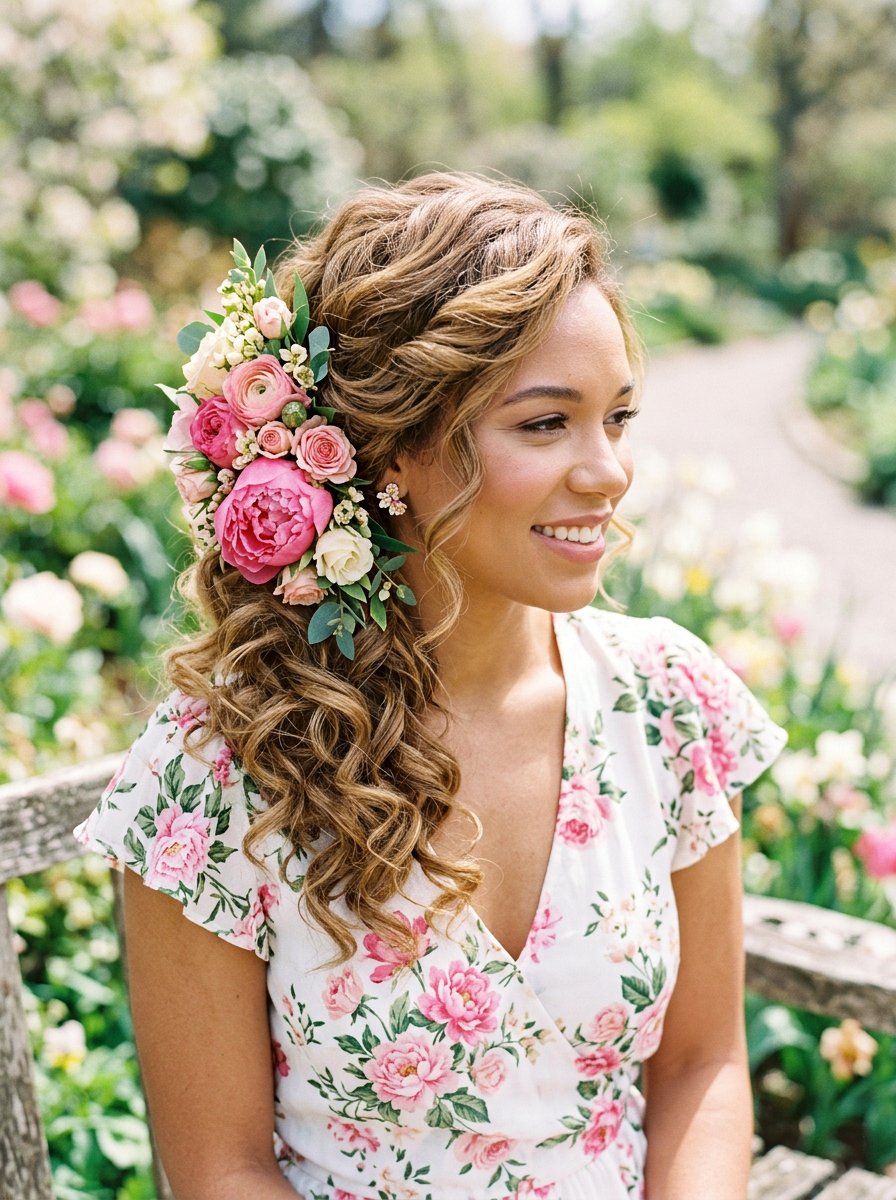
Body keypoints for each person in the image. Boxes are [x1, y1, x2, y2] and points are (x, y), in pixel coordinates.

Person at [75, 172, 787, 1200]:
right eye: (545, 424)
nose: (607, 472)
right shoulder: (218, 770)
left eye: (618, 417)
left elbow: (701, 1068)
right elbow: (221, 1169)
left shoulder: (666, 702)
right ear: (392, 451)